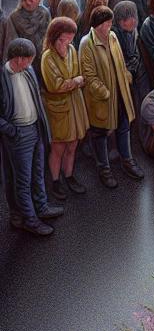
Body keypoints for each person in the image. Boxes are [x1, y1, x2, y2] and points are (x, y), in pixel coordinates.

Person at [0, 38, 64, 236]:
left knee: (38, 172)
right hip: (18, 135)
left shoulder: (27, 71)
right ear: (18, 59)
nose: (30, 64)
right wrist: (12, 131)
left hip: (35, 130)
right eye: (28, 60)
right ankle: (30, 220)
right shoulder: (2, 77)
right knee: (23, 181)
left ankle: (42, 207)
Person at [79, 6, 139, 188]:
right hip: (102, 100)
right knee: (100, 134)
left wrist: (126, 76)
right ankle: (104, 169)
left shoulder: (112, 37)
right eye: (107, 23)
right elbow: (88, 75)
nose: (110, 26)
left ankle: (127, 160)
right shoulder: (86, 44)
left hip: (120, 93)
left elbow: (119, 61)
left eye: (110, 22)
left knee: (123, 126)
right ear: (98, 25)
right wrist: (104, 92)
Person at [39, 16, 89, 198]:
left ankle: (69, 176)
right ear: (54, 37)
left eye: (70, 39)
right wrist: (76, 81)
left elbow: (79, 74)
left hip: (75, 105)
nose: (67, 43)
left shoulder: (71, 50)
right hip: (58, 109)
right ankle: (55, 181)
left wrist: (75, 81)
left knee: (73, 144)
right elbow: (56, 85)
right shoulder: (47, 57)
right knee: (58, 147)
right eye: (63, 39)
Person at [111, 0, 147, 135]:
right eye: (126, 19)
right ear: (119, 21)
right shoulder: (114, 36)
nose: (132, 21)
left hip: (136, 68)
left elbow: (136, 52)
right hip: (123, 74)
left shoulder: (133, 31)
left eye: (134, 18)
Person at [10, 0, 50, 71]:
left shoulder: (44, 12)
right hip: (26, 61)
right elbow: (13, 43)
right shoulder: (14, 17)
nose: (39, 1)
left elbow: (48, 35)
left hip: (43, 57)